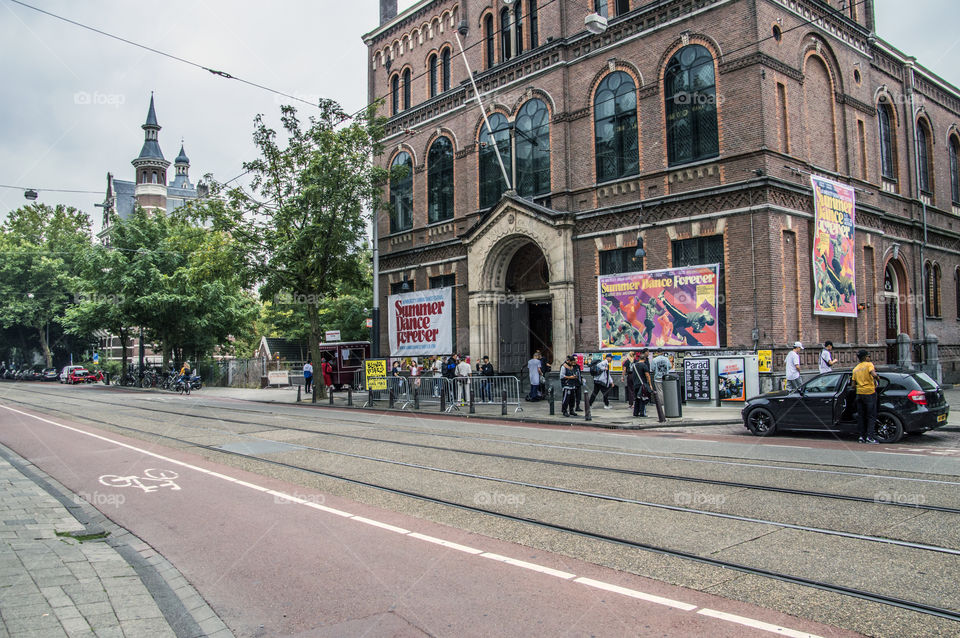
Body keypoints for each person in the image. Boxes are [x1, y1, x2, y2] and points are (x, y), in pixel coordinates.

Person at [852, 349, 879, 444]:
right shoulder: (869, 365)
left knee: (861, 416)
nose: (869, 358)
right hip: (869, 393)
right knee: (871, 416)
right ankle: (870, 437)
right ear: (865, 357)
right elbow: (873, 374)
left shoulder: (855, 369)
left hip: (859, 394)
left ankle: (861, 437)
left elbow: (853, 385)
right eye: (868, 356)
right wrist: (877, 378)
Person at [632, 349, 653, 417]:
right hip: (642, 384)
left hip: (635, 384)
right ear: (644, 359)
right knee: (643, 398)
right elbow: (647, 375)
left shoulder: (634, 365)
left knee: (637, 399)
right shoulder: (644, 365)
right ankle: (642, 413)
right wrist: (650, 384)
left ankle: (635, 413)